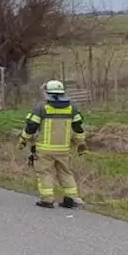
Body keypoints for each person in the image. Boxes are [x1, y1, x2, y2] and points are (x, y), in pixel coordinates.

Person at [22, 79, 87, 209]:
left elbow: (31, 126)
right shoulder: (72, 108)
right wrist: (81, 143)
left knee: (45, 173)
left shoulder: (41, 108)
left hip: (44, 149)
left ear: (48, 93)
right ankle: (72, 199)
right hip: (64, 149)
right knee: (66, 173)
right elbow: (78, 127)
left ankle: (47, 200)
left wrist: (24, 139)